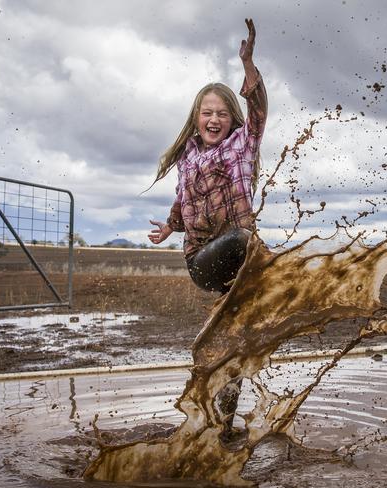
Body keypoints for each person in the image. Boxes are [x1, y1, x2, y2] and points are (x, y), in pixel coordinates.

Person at [146, 18, 267, 437]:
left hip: (238, 262)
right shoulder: (187, 157)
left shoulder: (243, 144)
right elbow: (183, 200)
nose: (214, 119)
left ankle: (220, 428)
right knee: (243, 241)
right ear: (197, 118)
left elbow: (259, 109)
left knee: (233, 343)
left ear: (231, 118)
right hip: (204, 259)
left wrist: (249, 65)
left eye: (221, 113)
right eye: (206, 113)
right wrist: (168, 228)